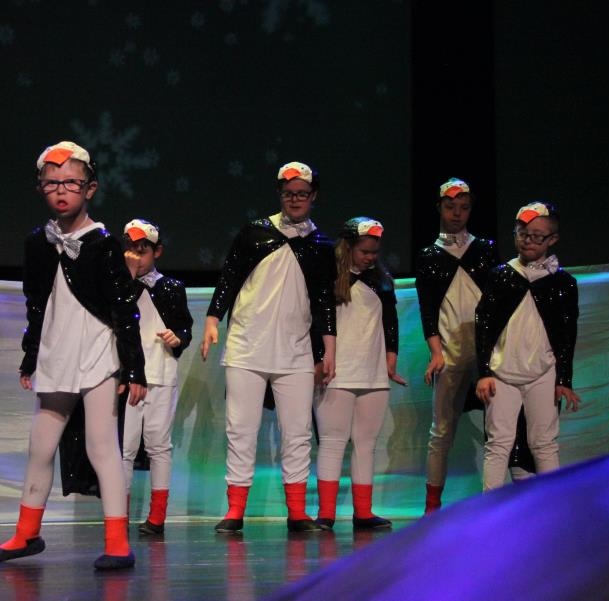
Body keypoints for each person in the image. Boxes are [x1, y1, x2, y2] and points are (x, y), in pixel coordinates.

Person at [0, 141, 146, 570]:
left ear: (90, 188)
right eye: (52, 183)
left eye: (71, 182)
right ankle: (26, 533)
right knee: (40, 446)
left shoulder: (104, 244)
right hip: (56, 353)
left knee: (102, 447)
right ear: (40, 188)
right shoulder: (38, 242)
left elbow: (124, 308)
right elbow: (36, 305)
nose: (61, 190)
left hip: (97, 355)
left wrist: (134, 368)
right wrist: (30, 356)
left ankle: (116, 541)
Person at [200, 161, 337, 533]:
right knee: (241, 429)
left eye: (302, 194)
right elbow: (229, 277)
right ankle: (235, 511)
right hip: (248, 346)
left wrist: (328, 348)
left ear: (313, 196)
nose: (295, 199)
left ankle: (297, 513)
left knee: (298, 433)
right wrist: (212, 319)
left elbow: (324, 300)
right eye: (289, 193)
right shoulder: (255, 233)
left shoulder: (321, 245)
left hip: (296, 351)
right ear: (280, 194)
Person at [475, 201, 581, 491]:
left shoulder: (562, 282)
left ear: (552, 239)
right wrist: (484, 372)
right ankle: (491, 509)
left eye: (537, 236)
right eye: (522, 234)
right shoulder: (501, 275)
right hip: (502, 372)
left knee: (543, 443)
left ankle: (549, 506)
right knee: (499, 443)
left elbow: (567, 334)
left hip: (543, 372)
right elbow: (484, 325)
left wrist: (564, 379)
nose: (528, 241)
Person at [313, 217, 406, 531]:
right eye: (364, 251)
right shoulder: (329, 280)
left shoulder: (380, 282)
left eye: (374, 252)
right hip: (336, 373)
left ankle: (363, 512)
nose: (370, 257)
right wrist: (319, 360)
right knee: (332, 442)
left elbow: (390, 322)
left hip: (372, 374)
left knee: (366, 443)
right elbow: (317, 323)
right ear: (348, 247)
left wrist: (390, 359)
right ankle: (326, 514)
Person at [415, 178, 499, 512]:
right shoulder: (430, 256)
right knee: (441, 431)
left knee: (499, 428)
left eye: (463, 207)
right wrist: (436, 352)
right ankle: (431, 507)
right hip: (449, 353)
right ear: (439, 207)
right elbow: (428, 310)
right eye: (450, 207)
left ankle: (497, 502)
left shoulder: (485, 249)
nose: (457, 213)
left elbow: (496, 303)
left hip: (488, 354)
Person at [120, 218, 193, 536]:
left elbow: (185, 327)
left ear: (157, 251)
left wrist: (178, 338)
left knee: (158, 446)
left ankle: (157, 517)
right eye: (130, 249)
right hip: (127, 377)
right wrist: (127, 278)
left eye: (142, 250)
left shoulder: (171, 287)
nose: (136, 255)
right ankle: (118, 515)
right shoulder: (119, 286)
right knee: (123, 448)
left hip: (161, 374)